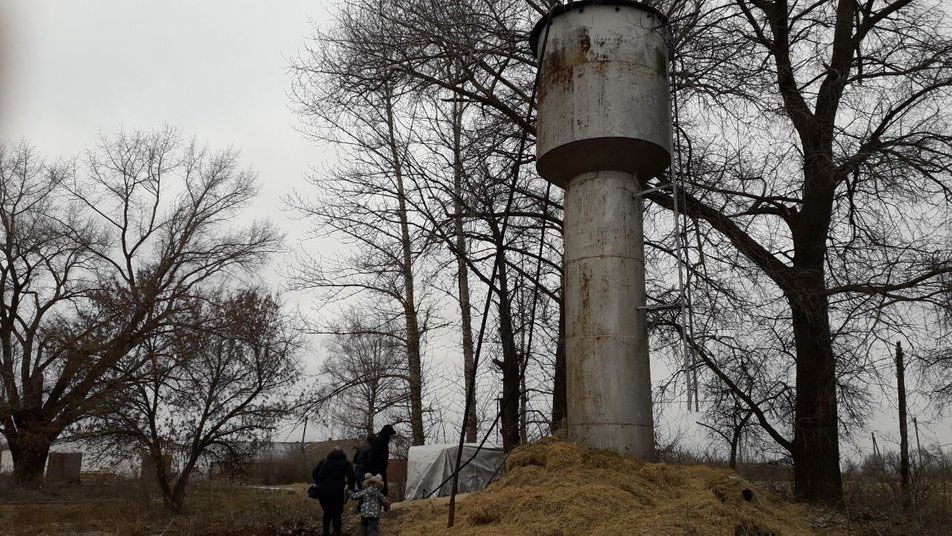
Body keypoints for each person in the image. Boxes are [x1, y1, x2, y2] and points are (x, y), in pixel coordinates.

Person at [312, 447, 356, 536]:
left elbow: (314, 473)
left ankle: (326, 532)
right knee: (337, 513)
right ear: (342, 453)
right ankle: (337, 532)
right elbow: (351, 476)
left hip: (323, 492)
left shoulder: (324, 461)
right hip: (338, 492)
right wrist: (350, 488)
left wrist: (320, 483)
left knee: (327, 512)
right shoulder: (345, 462)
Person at [365, 424, 397, 495]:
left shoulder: (382, 440)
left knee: (381, 490)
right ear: (388, 434)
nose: (391, 436)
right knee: (380, 490)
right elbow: (374, 456)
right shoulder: (381, 441)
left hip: (379, 469)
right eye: (391, 434)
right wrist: (380, 467)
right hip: (378, 471)